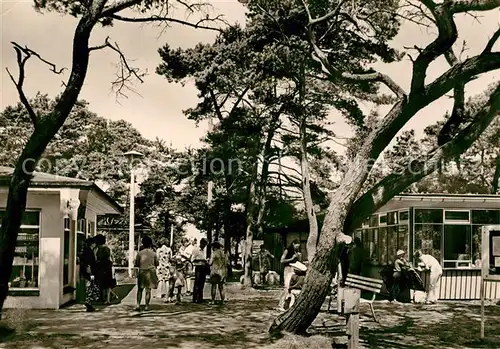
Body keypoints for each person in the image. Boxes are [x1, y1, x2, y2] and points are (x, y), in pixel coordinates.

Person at [135, 235, 159, 311]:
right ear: (150, 244)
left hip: (142, 271)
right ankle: (146, 306)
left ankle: (138, 305)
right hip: (151, 272)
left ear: (143, 244)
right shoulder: (154, 254)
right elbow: (157, 263)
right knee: (148, 290)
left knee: (140, 289)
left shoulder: (139, 253)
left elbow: (137, 263)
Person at [277, 239, 302, 311]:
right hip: (288, 269)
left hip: (295, 269)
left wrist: (299, 257)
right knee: (286, 287)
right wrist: (292, 258)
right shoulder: (287, 250)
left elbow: (298, 261)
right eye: (297, 245)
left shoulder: (296, 251)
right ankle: (280, 305)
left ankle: (287, 305)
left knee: (292, 287)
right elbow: (282, 260)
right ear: (293, 244)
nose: (297, 247)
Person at [94, 234, 114, 305]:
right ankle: (108, 299)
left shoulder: (97, 249)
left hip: (100, 267)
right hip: (108, 267)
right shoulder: (108, 248)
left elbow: (95, 259)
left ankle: (102, 297)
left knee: (101, 282)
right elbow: (111, 258)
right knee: (107, 284)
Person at [81, 237, 99, 312]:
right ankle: (88, 303)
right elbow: (90, 263)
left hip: (87, 272)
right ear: (92, 243)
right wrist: (91, 273)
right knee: (90, 288)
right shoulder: (89, 251)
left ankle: (89, 303)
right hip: (89, 272)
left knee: (89, 287)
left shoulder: (86, 251)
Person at [191, 238, 208, 303]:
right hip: (198, 267)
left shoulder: (204, 250)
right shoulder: (196, 250)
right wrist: (201, 260)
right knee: (197, 283)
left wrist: (205, 260)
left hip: (203, 267)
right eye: (204, 244)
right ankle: (195, 298)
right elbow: (192, 259)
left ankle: (200, 298)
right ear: (201, 243)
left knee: (202, 283)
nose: (204, 246)